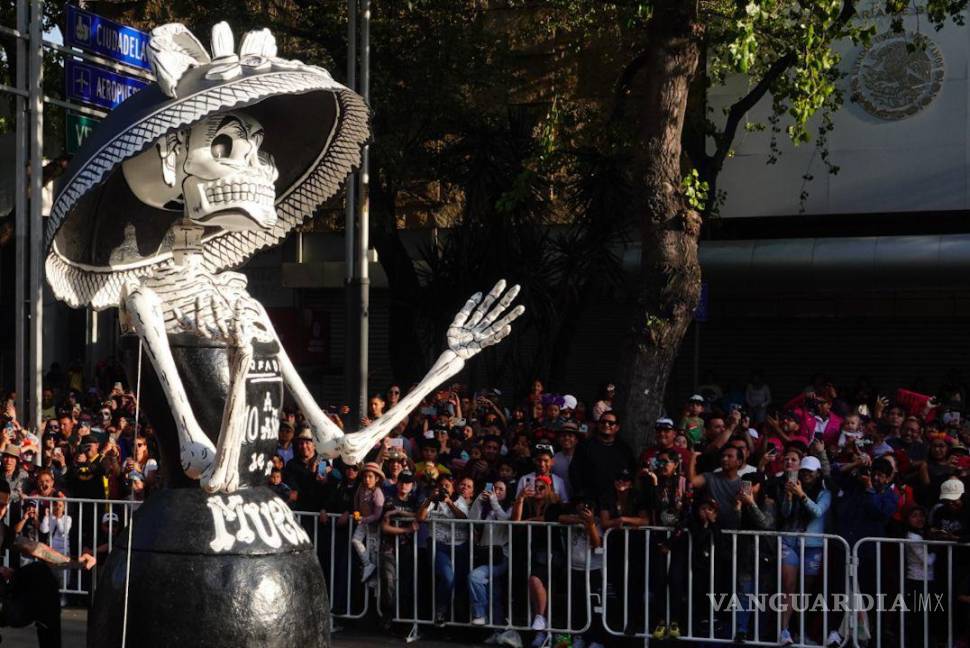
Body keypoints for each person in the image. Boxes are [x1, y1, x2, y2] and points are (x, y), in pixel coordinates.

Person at [0, 480, 96, 648]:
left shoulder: (2, 529)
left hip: (5, 599)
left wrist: (75, 562)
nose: (1, 511)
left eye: (3, 506)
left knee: (41, 574)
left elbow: (38, 549)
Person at [777, 456, 831, 645]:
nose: (807, 474)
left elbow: (817, 511)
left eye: (810, 471)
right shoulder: (794, 488)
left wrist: (801, 495)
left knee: (805, 592)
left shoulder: (825, 493)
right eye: (804, 470)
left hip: (812, 546)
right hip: (790, 541)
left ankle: (801, 631)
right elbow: (784, 513)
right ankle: (784, 631)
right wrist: (790, 497)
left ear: (818, 473)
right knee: (788, 587)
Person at [417, 474, 471, 627]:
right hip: (439, 545)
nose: (444, 488)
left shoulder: (459, 501)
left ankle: (457, 625)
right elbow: (420, 518)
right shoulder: (433, 501)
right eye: (441, 486)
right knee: (448, 578)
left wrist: (449, 502)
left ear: (453, 488)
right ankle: (441, 609)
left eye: (447, 485)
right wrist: (429, 500)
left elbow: (463, 520)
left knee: (460, 585)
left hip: (459, 547)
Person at [468, 480, 513, 630]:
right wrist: (479, 501)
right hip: (486, 555)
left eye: (501, 489)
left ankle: (480, 614)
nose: (497, 491)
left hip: (501, 557)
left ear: (507, 493)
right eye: (495, 488)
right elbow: (472, 519)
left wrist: (494, 502)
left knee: (475, 577)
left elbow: (505, 521)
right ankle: (498, 631)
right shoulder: (487, 509)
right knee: (495, 594)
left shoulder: (510, 508)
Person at [569, 412, 635, 506]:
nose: (606, 425)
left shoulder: (624, 449)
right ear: (598, 424)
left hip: (615, 502)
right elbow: (574, 471)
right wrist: (581, 495)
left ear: (617, 427)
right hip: (589, 500)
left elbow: (631, 473)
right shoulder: (584, 446)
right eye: (603, 422)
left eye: (611, 423)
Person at [351, 462, 386, 583]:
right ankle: (367, 564)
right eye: (365, 476)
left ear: (376, 478)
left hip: (373, 525)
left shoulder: (377, 493)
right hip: (363, 522)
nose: (367, 479)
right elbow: (356, 502)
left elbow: (377, 514)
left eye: (370, 477)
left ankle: (374, 581)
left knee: (373, 550)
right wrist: (357, 515)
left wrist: (364, 519)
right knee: (355, 540)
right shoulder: (361, 488)